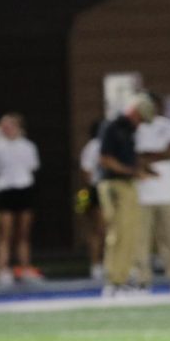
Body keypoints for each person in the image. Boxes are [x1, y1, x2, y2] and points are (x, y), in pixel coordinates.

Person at [98, 94, 157, 295]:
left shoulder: (131, 129)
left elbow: (129, 157)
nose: (140, 123)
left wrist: (143, 168)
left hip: (128, 184)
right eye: (140, 118)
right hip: (113, 184)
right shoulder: (112, 126)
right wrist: (133, 172)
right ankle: (113, 279)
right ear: (134, 111)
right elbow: (105, 159)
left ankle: (123, 276)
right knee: (118, 232)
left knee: (131, 232)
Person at [133, 97, 170, 293]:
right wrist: (154, 156)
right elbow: (134, 156)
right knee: (141, 239)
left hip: (167, 191)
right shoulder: (134, 128)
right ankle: (142, 280)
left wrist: (149, 157)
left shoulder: (167, 124)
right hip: (142, 192)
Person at [0, 112, 41, 284]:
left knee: (23, 233)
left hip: (24, 189)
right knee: (5, 233)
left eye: (10, 125)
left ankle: (25, 268)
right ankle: (3, 269)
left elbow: (32, 167)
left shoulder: (28, 146)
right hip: (5, 191)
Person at [78, 120, 106, 281]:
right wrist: (94, 187)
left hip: (105, 189)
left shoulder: (106, 144)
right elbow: (86, 171)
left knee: (108, 230)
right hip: (97, 189)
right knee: (99, 229)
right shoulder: (93, 146)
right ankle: (96, 264)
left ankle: (107, 263)